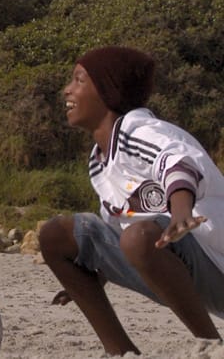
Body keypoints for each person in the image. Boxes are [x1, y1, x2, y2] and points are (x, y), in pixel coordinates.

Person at [39, 46, 224, 356]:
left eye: (78, 80)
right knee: (56, 235)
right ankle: (121, 352)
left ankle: (211, 347)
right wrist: (91, 278)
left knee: (140, 237)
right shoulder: (99, 163)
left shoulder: (140, 131)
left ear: (106, 90)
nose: (66, 90)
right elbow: (111, 231)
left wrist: (180, 212)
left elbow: (178, 163)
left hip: (214, 262)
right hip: (182, 272)